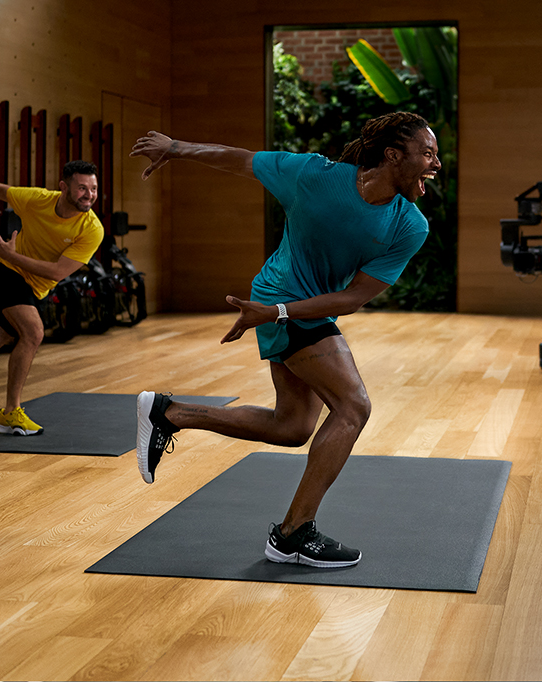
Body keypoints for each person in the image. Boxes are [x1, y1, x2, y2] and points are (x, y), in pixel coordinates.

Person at [130, 112, 441, 568]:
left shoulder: (409, 224)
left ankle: (170, 412)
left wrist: (276, 314)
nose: (436, 164)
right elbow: (242, 161)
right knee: (354, 407)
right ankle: (294, 532)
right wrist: (176, 148)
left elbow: (354, 296)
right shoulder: (314, 176)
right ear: (394, 156)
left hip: (293, 309)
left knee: (292, 427)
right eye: (428, 153)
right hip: (280, 296)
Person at [0, 161, 104, 435]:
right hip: (7, 272)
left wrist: (13, 254)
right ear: (63, 187)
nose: (89, 194)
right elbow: (2, 191)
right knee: (33, 333)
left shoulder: (92, 229)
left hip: (35, 287)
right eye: (82, 188)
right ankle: (11, 413)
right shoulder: (38, 200)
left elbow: (58, 272)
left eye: (93, 188)